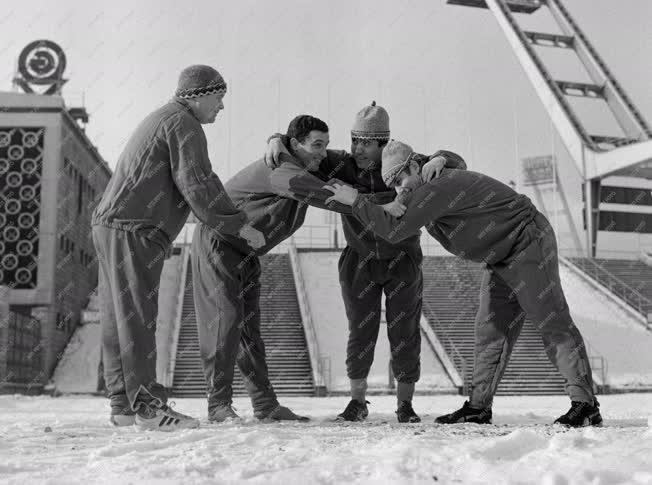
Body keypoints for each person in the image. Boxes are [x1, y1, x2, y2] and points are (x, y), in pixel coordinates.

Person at [323, 140, 602, 428]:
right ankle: (478, 407)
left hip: (526, 240)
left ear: (415, 165)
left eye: (400, 180)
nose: (399, 189)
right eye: (392, 185)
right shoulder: (426, 178)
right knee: (490, 329)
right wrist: (441, 157)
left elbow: (394, 230)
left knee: (550, 320)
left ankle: (585, 405)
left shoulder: (432, 188)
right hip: (500, 255)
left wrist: (355, 201)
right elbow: (449, 164)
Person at [265, 102, 466, 423]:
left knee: (405, 331)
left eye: (366, 143)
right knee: (361, 332)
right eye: (354, 140)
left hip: (403, 260)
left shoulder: (405, 163)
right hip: (359, 260)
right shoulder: (340, 164)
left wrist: (444, 158)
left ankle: (405, 405)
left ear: (383, 143)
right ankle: (357, 402)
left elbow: (454, 162)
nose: (357, 148)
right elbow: (297, 147)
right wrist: (275, 138)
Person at [91, 65, 264, 431]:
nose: (221, 107)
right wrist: (239, 226)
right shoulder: (184, 124)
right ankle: (148, 408)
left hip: (112, 225)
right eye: (219, 98)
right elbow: (198, 182)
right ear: (199, 96)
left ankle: (123, 405)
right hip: (133, 228)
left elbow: (196, 181)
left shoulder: (166, 118)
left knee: (117, 318)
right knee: (138, 317)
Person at [192, 114, 368, 422]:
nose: (323, 153)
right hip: (218, 241)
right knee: (224, 323)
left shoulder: (306, 159)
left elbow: (350, 160)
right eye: (317, 145)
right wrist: (376, 209)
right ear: (297, 144)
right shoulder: (283, 171)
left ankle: (265, 405)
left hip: (246, 251)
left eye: (325, 145)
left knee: (249, 329)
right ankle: (218, 404)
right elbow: (324, 197)